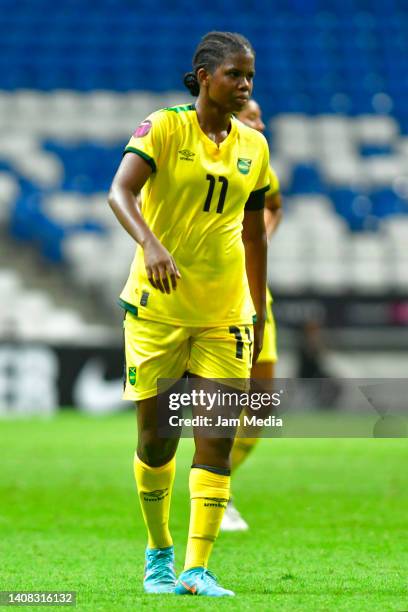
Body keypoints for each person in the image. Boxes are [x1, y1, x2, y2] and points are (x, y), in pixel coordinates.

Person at [108, 32, 270, 597]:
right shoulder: (164, 126)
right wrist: (151, 244)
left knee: (216, 439)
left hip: (224, 311)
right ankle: (159, 552)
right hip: (157, 310)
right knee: (157, 440)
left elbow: (254, 231)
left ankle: (197, 569)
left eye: (249, 76)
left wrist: (258, 305)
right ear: (204, 76)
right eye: (234, 74)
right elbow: (120, 192)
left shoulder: (255, 146)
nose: (245, 84)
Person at [221, 99, 283, 532]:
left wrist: (261, 236)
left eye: (261, 116)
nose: (260, 123)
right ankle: (214, 493)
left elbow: (274, 204)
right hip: (214, 295)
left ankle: (219, 484)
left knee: (260, 405)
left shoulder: (258, 160)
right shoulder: (210, 163)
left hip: (256, 294)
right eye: (252, 117)